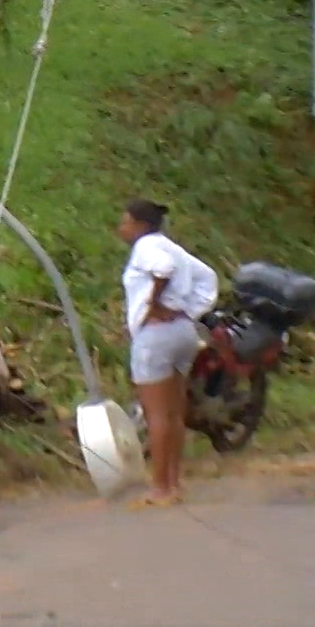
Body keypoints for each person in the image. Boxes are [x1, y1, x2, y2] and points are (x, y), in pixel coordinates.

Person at [116, 198, 218, 506]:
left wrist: (154, 305)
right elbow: (207, 277)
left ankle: (160, 488)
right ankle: (173, 483)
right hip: (183, 333)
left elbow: (163, 269)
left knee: (156, 414)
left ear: (141, 225)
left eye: (125, 222)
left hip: (156, 336)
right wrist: (188, 311)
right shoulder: (172, 246)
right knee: (174, 413)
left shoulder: (147, 248)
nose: (121, 228)